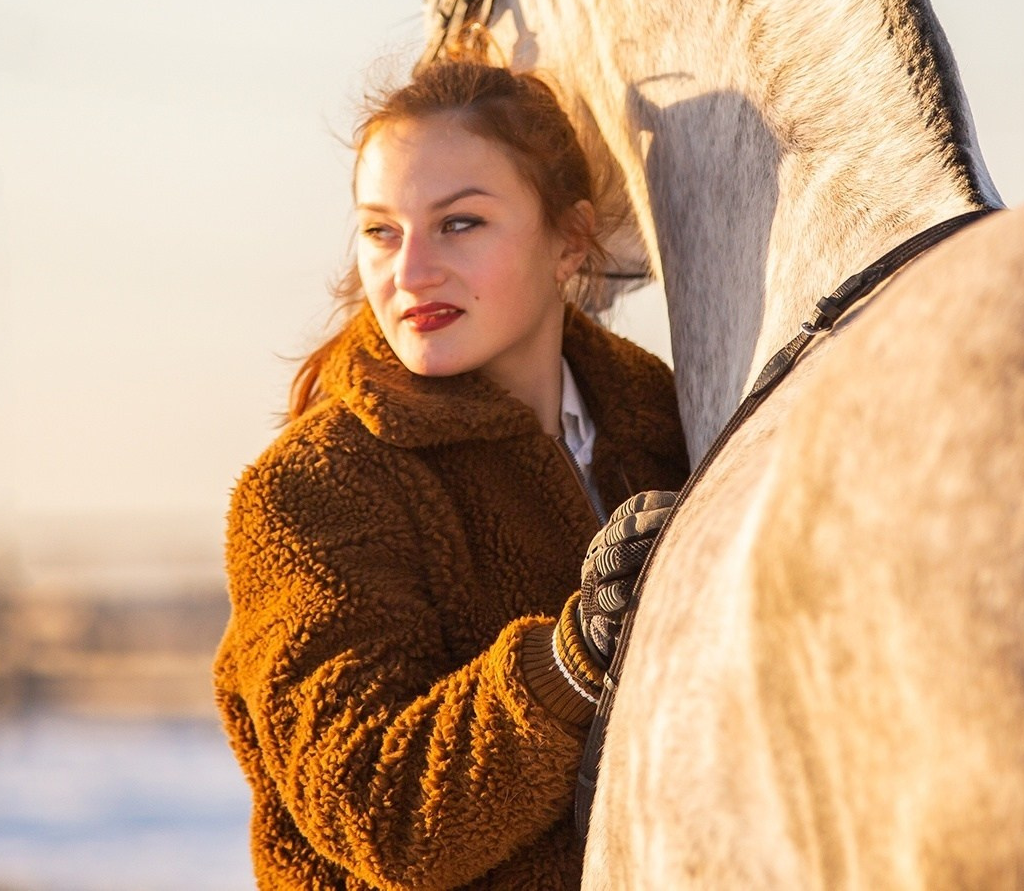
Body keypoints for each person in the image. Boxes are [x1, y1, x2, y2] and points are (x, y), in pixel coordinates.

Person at [215, 56, 689, 890]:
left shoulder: (667, 425)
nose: (411, 273)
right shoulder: (309, 491)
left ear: (569, 239)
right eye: (381, 231)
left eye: (459, 223)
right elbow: (376, 805)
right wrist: (570, 661)